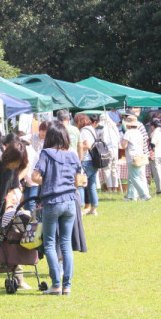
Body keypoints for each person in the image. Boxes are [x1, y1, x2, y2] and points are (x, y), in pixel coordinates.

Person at [31, 122, 80, 295]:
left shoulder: (46, 153)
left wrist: (50, 182)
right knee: (66, 244)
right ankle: (67, 286)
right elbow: (78, 179)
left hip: (52, 202)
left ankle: (56, 285)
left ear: (50, 137)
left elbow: (35, 176)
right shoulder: (73, 155)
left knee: (50, 243)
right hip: (70, 201)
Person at [120, 114, 151, 201]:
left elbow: (124, 146)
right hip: (140, 156)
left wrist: (121, 140)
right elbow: (141, 144)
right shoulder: (139, 132)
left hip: (132, 157)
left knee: (134, 177)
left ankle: (143, 195)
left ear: (128, 124)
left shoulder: (128, 133)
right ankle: (131, 196)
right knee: (133, 176)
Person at [75, 113, 100, 215]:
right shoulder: (92, 129)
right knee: (91, 185)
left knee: (81, 184)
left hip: (86, 160)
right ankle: (93, 209)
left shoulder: (84, 131)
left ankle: (80, 209)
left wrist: (78, 148)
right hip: (94, 160)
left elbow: (87, 145)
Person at [98, 111, 122, 193]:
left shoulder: (104, 129)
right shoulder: (114, 127)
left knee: (107, 169)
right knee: (114, 169)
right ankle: (115, 187)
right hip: (115, 150)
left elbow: (103, 141)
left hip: (107, 150)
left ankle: (109, 188)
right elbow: (118, 139)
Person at [148, 117, 161, 195]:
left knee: (157, 172)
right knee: (159, 172)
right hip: (160, 153)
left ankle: (160, 189)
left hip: (156, 154)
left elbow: (153, 144)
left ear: (153, 125)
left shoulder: (156, 132)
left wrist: (151, 154)